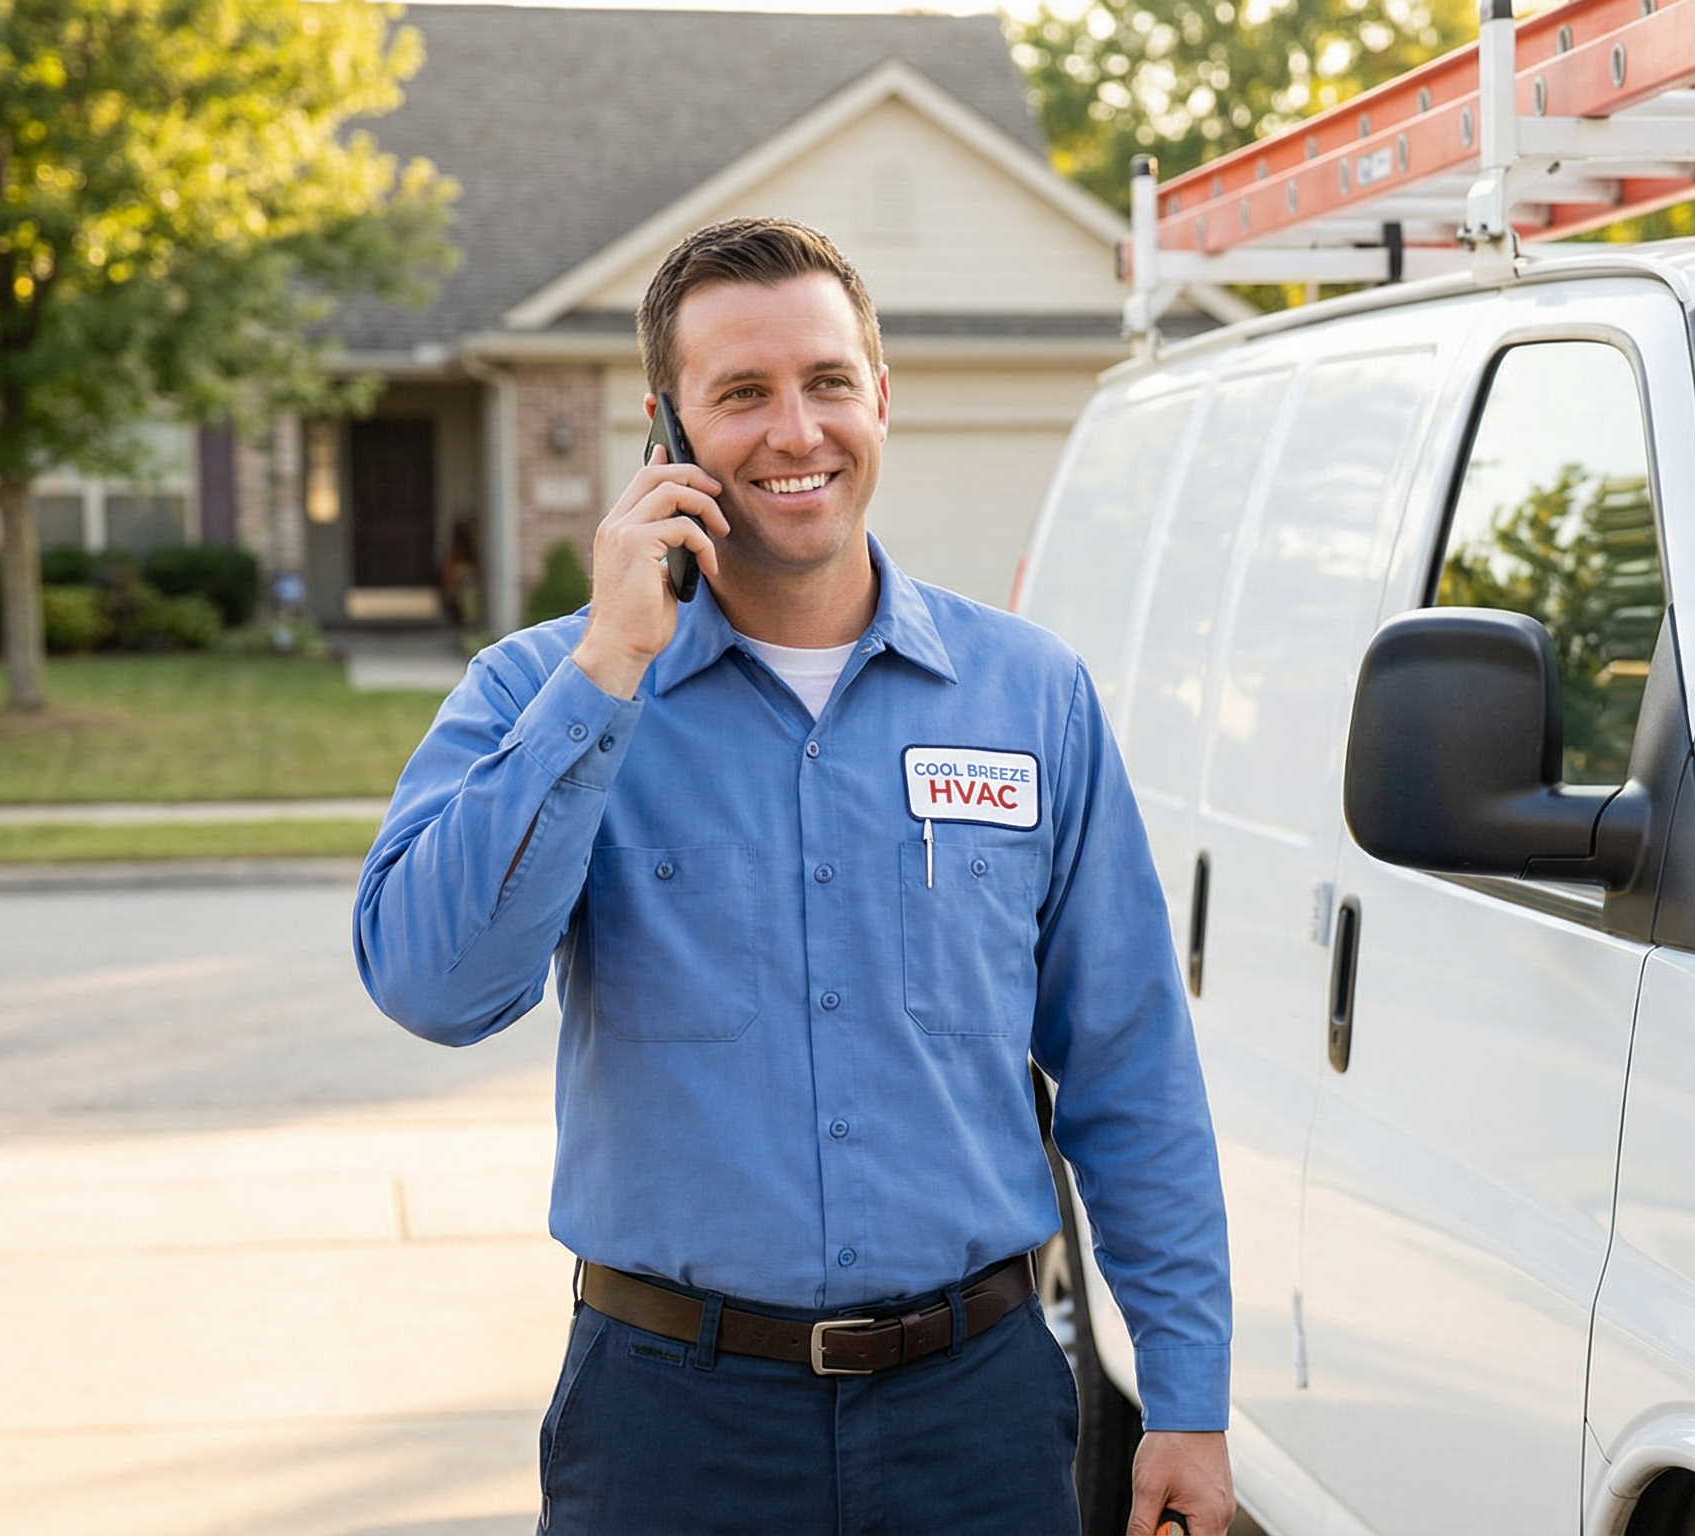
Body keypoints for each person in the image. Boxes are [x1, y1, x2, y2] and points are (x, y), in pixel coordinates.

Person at [353, 216, 1233, 1536]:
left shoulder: (1029, 696)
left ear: (881, 396)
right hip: (669, 1427)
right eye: (743, 395)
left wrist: (1186, 1398)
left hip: (976, 1421)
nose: (796, 432)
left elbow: (1128, 1066)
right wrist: (606, 673)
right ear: (668, 433)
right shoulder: (543, 689)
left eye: (827, 383)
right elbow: (434, 984)